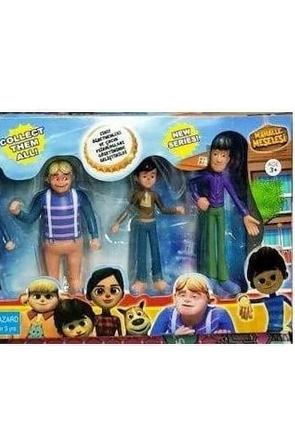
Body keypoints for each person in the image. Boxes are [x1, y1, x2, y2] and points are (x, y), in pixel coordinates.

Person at [10, 159, 100, 293]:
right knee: (52, 279)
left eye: (65, 178)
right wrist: (17, 212)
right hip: (52, 246)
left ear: (72, 178)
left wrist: (95, 236)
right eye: (56, 178)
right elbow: (30, 218)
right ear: (47, 179)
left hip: (75, 244)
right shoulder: (43, 198)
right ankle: (54, 300)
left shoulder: (79, 196)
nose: (61, 182)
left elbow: (90, 216)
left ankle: (77, 298)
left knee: (75, 279)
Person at [189, 133, 260, 297]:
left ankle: (223, 278)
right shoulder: (206, 176)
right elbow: (191, 184)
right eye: (215, 154)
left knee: (221, 245)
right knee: (210, 245)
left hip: (220, 213)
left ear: (228, 159)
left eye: (223, 156)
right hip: (209, 213)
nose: (219, 159)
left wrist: (245, 214)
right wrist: (198, 198)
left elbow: (235, 196)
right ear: (209, 155)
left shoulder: (225, 178)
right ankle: (211, 279)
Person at [111, 157, 184, 294]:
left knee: (155, 251)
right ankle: (141, 279)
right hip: (140, 225)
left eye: (152, 175)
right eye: (145, 176)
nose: (149, 179)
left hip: (152, 224)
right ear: (137, 178)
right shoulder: (137, 195)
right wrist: (117, 222)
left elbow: (163, 209)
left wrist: (176, 210)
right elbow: (128, 210)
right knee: (141, 253)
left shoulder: (154, 195)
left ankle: (158, 279)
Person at [149, 273, 235, 336]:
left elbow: (234, 340)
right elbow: (152, 340)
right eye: (182, 295)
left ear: (210, 300)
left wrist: (223, 339)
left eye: (194, 297)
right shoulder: (168, 313)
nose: (187, 300)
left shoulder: (219, 315)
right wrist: (173, 337)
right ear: (174, 298)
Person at [238, 246, 292, 332]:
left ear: (282, 272)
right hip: (268, 332)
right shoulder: (264, 300)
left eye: (273, 277)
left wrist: (289, 326)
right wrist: (243, 298)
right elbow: (248, 300)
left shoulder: (283, 298)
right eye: (262, 280)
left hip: (282, 332)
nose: (268, 283)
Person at [86, 267, 125, 337]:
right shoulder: (96, 318)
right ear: (89, 294)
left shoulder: (116, 319)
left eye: (114, 290)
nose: (107, 295)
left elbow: (120, 335)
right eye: (99, 291)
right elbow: (90, 332)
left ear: (122, 294)